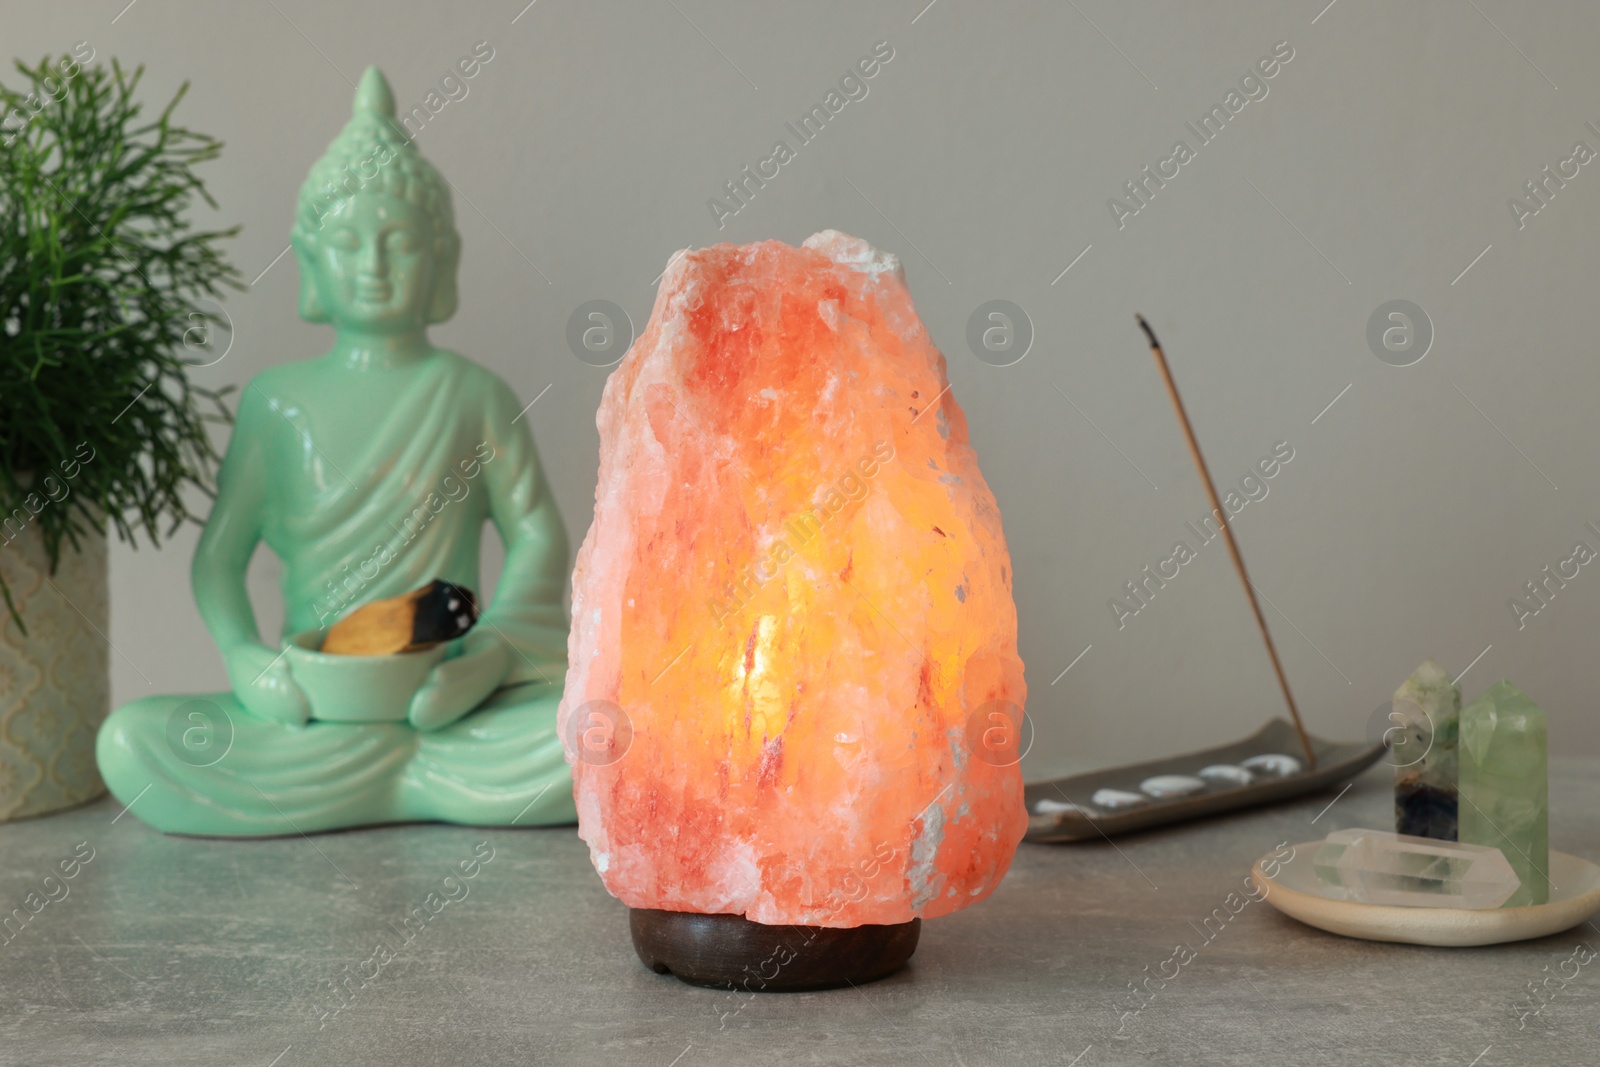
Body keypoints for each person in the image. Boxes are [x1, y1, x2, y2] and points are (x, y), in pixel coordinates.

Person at [96, 68, 575, 835]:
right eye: (348, 243)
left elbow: (539, 538)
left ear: (442, 258)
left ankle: (398, 778)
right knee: (132, 741)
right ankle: (413, 786)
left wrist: (490, 654)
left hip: (443, 702)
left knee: (609, 734)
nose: (374, 267)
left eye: (399, 244)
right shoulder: (277, 401)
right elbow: (218, 561)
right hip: (313, 708)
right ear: (311, 260)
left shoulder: (473, 391)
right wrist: (245, 659)